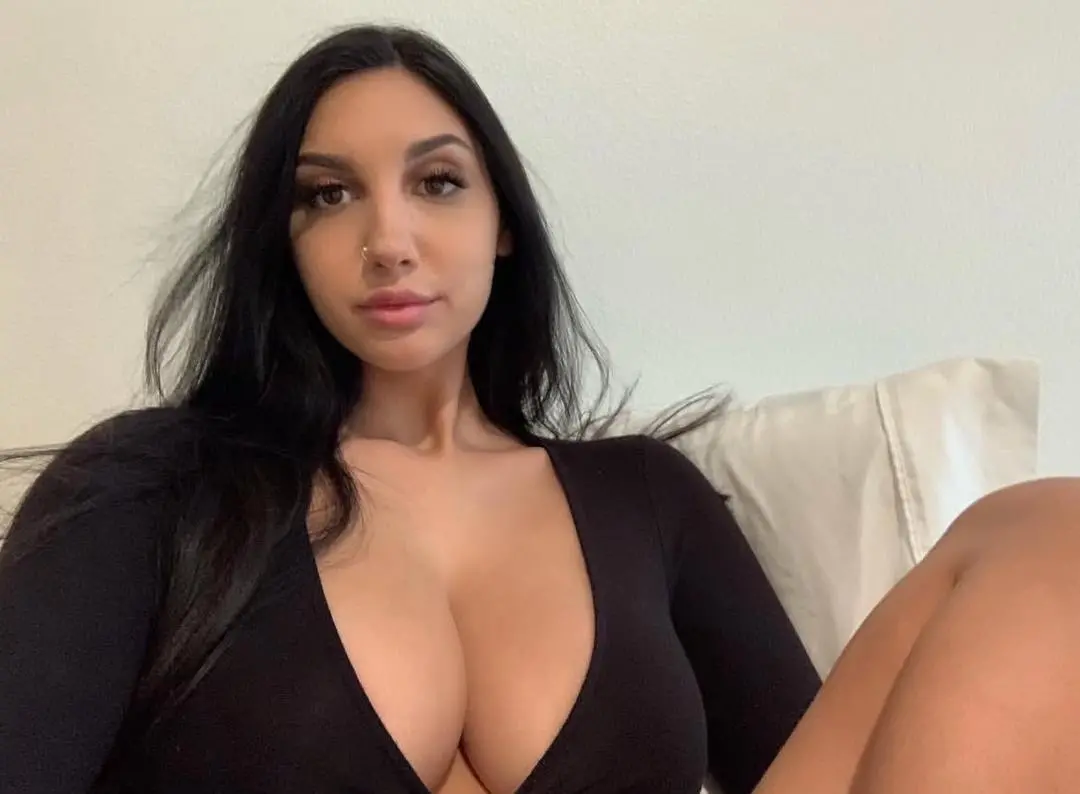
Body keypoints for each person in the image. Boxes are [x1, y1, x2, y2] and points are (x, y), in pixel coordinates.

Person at [2, 23, 1079, 794]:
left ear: (503, 223)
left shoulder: (645, 496)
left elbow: (828, 758)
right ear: (283, 244)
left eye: (437, 182)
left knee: (1047, 529)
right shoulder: (154, 483)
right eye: (328, 195)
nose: (388, 240)